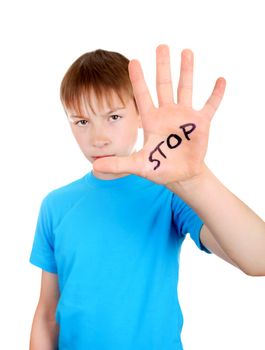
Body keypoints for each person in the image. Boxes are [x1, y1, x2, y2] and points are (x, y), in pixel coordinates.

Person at [29, 45, 265, 350]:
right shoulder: (55, 205)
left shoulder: (170, 193)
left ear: (140, 115)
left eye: (113, 116)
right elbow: (47, 314)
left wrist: (196, 178)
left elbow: (258, 258)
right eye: (82, 121)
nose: (98, 136)